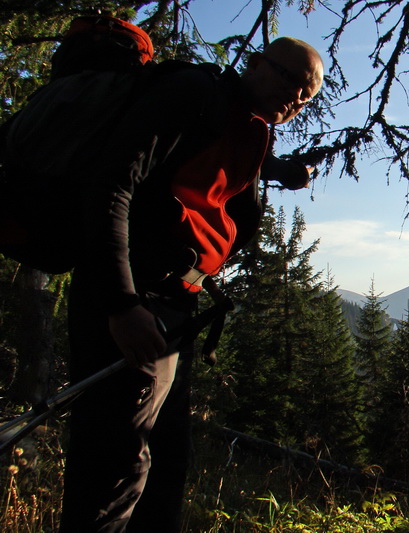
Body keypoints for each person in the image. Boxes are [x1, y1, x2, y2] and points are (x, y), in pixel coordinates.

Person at [57, 36, 324, 532]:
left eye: (306, 94)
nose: (295, 95)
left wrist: (286, 171)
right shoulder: (193, 94)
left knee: (163, 464)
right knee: (116, 467)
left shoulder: (243, 125)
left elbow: (216, 169)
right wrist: (121, 303)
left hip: (175, 303)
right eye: (289, 78)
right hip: (136, 295)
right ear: (255, 63)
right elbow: (112, 183)